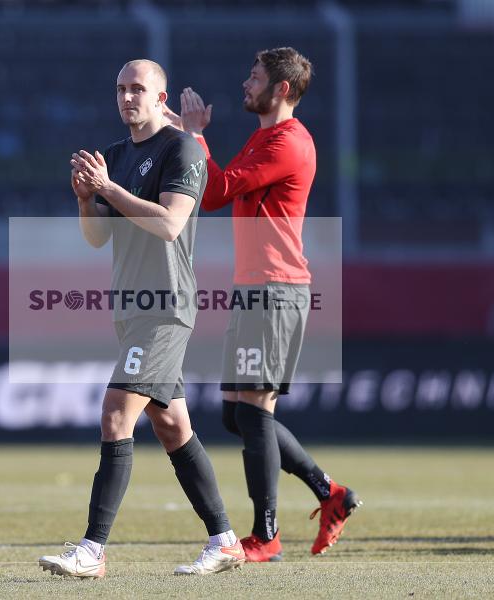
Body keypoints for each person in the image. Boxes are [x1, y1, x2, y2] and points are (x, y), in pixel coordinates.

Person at [38, 59, 245, 578]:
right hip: (130, 308)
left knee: (114, 415)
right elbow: (97, 238)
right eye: (121, 89)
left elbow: (172, 224)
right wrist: (87, 199)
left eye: (139, 89)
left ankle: (92, 550)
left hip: (165, 308)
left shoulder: (182, 149)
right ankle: (224, 539)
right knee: (173, 426)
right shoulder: (114, 156)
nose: (129, 97)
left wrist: (108, 190)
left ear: (161, 98)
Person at [172, 47, 361, 562]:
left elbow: (212, 191)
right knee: (238, 415)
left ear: (281, 88)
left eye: (254, 77)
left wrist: (193, 134)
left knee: (254, 414)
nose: (245, 84)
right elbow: (217, 187)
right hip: (255, 290)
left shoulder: (287, 142)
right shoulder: (265, 136)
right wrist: (183, 132)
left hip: (275, 292)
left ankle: (266, 535)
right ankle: (330, 493)